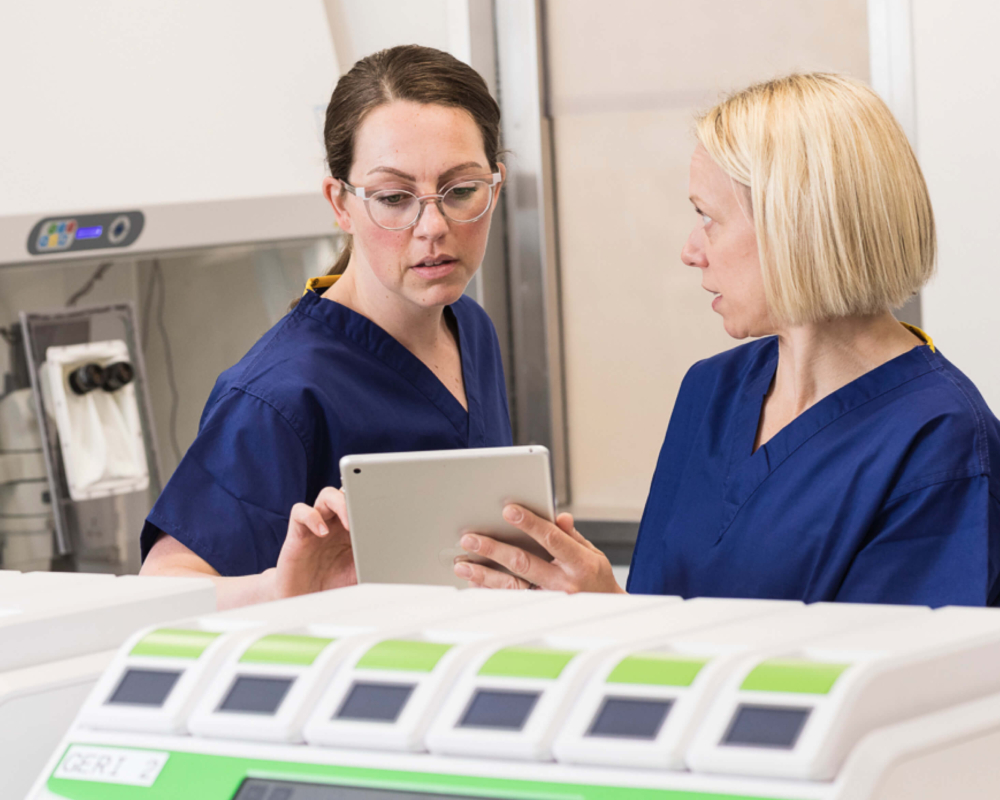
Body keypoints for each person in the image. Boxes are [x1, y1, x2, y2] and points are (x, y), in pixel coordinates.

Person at [458, 73, 1000, 607]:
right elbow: (663, 627)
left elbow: (883, 686)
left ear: (795, 226)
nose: (691, 250)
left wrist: (618, 620)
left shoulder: (942, 443)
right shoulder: (712, 388)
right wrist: (601, 603)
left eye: (708, 217)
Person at [141, 45, 509, 608]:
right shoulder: (280, 395)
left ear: (496, 186)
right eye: (393, 198)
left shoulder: (470, 328)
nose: (433, 226)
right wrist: (285, 588)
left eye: (461, 191)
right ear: (341, 203)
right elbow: (164, 587)